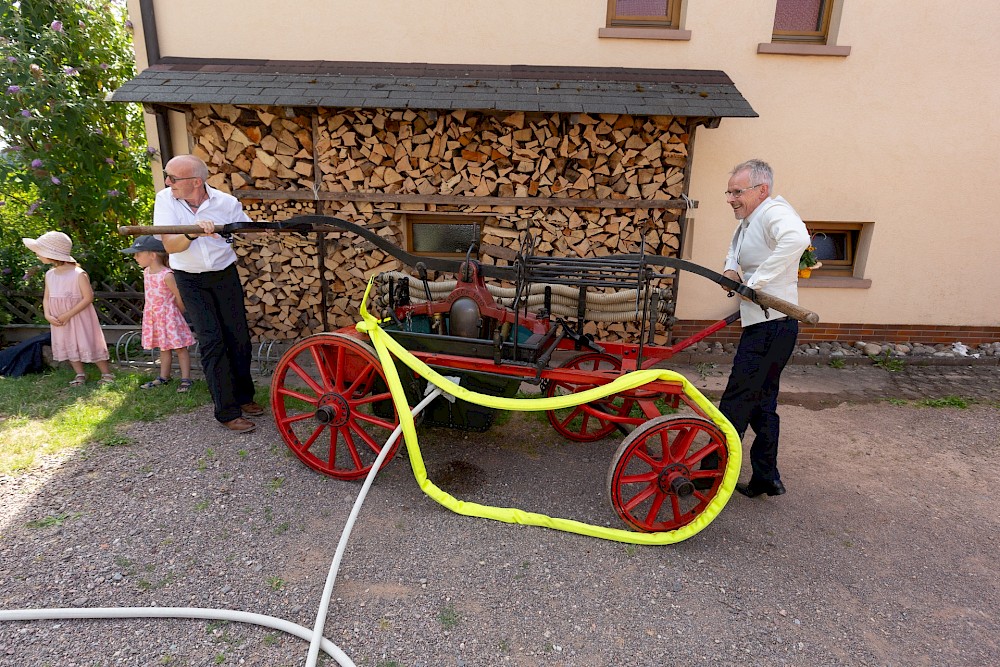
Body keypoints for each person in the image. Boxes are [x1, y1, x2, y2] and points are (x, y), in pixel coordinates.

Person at [716, 159, 810, 498]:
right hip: (765, 325)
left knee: (737, 401)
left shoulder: (774, 213)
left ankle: (711, 476)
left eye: (737, 191)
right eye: (729, 191)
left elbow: (797, 238)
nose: (731, 198)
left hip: (773, 327)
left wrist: (755, 284)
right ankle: (767, 477)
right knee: (761, 402)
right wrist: (731, 271)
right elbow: (735, 248)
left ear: (762, 190)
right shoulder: (749, 221)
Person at [153, 154, 263, 433]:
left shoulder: (225, 203)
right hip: (189, 279)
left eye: (173, 178)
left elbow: (248, 232)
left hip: (224, 275)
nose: (168, 182)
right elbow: (170, 246)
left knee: (238, 338)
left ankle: (244, 397)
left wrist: (226, 232)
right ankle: (226, 412)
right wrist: (193, 233)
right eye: (168, 176)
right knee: (212, 341)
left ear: (196, 182)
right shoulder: (165, 200)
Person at [22, 231, 115, 386]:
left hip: (78, 316)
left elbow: (88, 298)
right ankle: (80, 374)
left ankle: (106, 374)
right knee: (69, 342)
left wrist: (68, 314)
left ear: (52, 254)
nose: (37, 255)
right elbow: (46, 297)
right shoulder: (50, 275)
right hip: (59, 318)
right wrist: (47, 314)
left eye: (39, 252)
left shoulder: (78, 274)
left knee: (88, 341)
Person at [121, 235, 196, 393]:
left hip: (169, 317)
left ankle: (186, 379)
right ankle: (164, 377)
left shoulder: (167, 275)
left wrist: (177, 314)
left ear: (153, 255)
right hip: (154, 316)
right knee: (163, 347)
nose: (135, 257)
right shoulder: (147, 272)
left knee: (180, 348)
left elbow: (179, 296)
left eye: (138, 253)